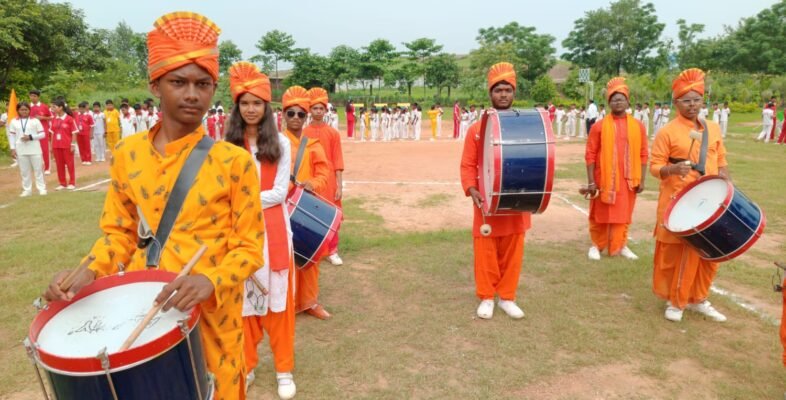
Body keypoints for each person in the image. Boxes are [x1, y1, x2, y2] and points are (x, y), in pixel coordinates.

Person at [42, 12, 265, 399]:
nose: (192, 94)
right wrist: (88, 270)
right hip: (152, 310)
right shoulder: (128, 155)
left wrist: (210, 280)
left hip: (215, 315)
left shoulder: (234, 161)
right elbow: (119, 234)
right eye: (178, 82)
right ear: (155, 85)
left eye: (203, 84)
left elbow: (249, 246)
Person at [225, 61, 297, 399]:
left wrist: (240, 200)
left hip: (275, 235)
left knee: (278, 307)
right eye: (245, 103)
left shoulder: (281, 142)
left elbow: (280, 193)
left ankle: (284, 370)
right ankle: (248, 365)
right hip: (238, 237)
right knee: (246, 307)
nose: (251, 109)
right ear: (237, 107)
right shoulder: (226, 146)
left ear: (267, 107)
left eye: (257, 103)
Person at [650, 68, 729, 323]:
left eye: (697, 99)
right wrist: (672, 169)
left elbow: (722, 158)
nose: (693, 105)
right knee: (681, 253)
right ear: (676, 103)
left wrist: (727, 183)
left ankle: (699, 298)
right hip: (679, 201)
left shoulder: (713, 128)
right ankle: (676, 301)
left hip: (711, 203)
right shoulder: (667, 132)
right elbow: (654, 166)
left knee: (709, 254)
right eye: (687, 100)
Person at [460, 62, 530, 320]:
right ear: (490, 93)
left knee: (513, 248)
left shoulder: (525, 126)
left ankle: (507, 297)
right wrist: (471, 188)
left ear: (514, 94)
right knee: (486, 250)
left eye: (507, 90)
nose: (503, 94)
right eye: (498, 90)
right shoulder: (476, 130)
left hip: (516, 200)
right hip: (485, 202)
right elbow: (467, 164)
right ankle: (487, 297)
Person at [282, 86, 332, 320]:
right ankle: (287, 305)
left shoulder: (313, 145)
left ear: (306, 116)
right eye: (290, 113)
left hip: (304, 206)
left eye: (300, 114)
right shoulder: (274, 143)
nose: (295, 118)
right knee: (285, 258)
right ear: (283, 115)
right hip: (281, 209)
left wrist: (313, 184)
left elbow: (324, 173)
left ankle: (309, 302)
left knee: (310, 257)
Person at [585, 77, 647, 261]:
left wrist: (642, 180)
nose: (618, 102)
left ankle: (621, 245)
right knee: (600, 213)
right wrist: (591, 181)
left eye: (621, 98)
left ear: (628, 101)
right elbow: (590, 154)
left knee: (624, 213)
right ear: (608, 102)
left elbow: (643, 154)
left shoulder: (638, 126)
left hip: (628, 179)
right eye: (614, 98)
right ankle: (597, 245)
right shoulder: (599, 126)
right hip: (604, 178)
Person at [305, 87, 345, 267]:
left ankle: (332, 251)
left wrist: (339, 185)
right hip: (309, 179)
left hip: (328, 180)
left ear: (325, 110)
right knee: (311, 214)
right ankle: (315, 249)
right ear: (310, 110)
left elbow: (337, 159)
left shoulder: (333, 133)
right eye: (315, 108)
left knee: (331, 214)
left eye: (321, 108)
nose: (318, 111)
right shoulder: (304, 133)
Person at [8, 102, 47, 196]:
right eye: (22, 110)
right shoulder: (14, 121)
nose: (24, 111)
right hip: (21, 148)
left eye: (26, 109)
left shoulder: (35, 121)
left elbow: (43, 134)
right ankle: (27, 190)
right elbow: (12, 136)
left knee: (38, 169)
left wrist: (30, 137)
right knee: (24, 171)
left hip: (34, 148)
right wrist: (12, 148)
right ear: (18, 110)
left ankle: (41, 189)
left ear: (29, 110)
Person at [49, 99, 78, 190]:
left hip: (67, 145)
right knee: (59, 165)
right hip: (56, 146)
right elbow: (52, 133)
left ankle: (72, 182)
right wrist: (51, 146)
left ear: (61, 107)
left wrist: (73, 145)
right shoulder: (54, 119)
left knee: (70, 164)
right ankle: (62, 183)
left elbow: (74, 132)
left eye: (54, 107)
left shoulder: (69, 119)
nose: (52, 108)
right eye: (51, 107)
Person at [29, 89, 53, 174]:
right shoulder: (28, 107)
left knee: (44, 149)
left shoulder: (44, 106)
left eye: (34, 96)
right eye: (31, 96)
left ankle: (47, 168)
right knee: (33, 149)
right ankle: (36, 168)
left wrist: (43, 118)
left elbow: (51, 117)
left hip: (43, 131)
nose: (33, 98)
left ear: (38, 97)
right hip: (31, 131)